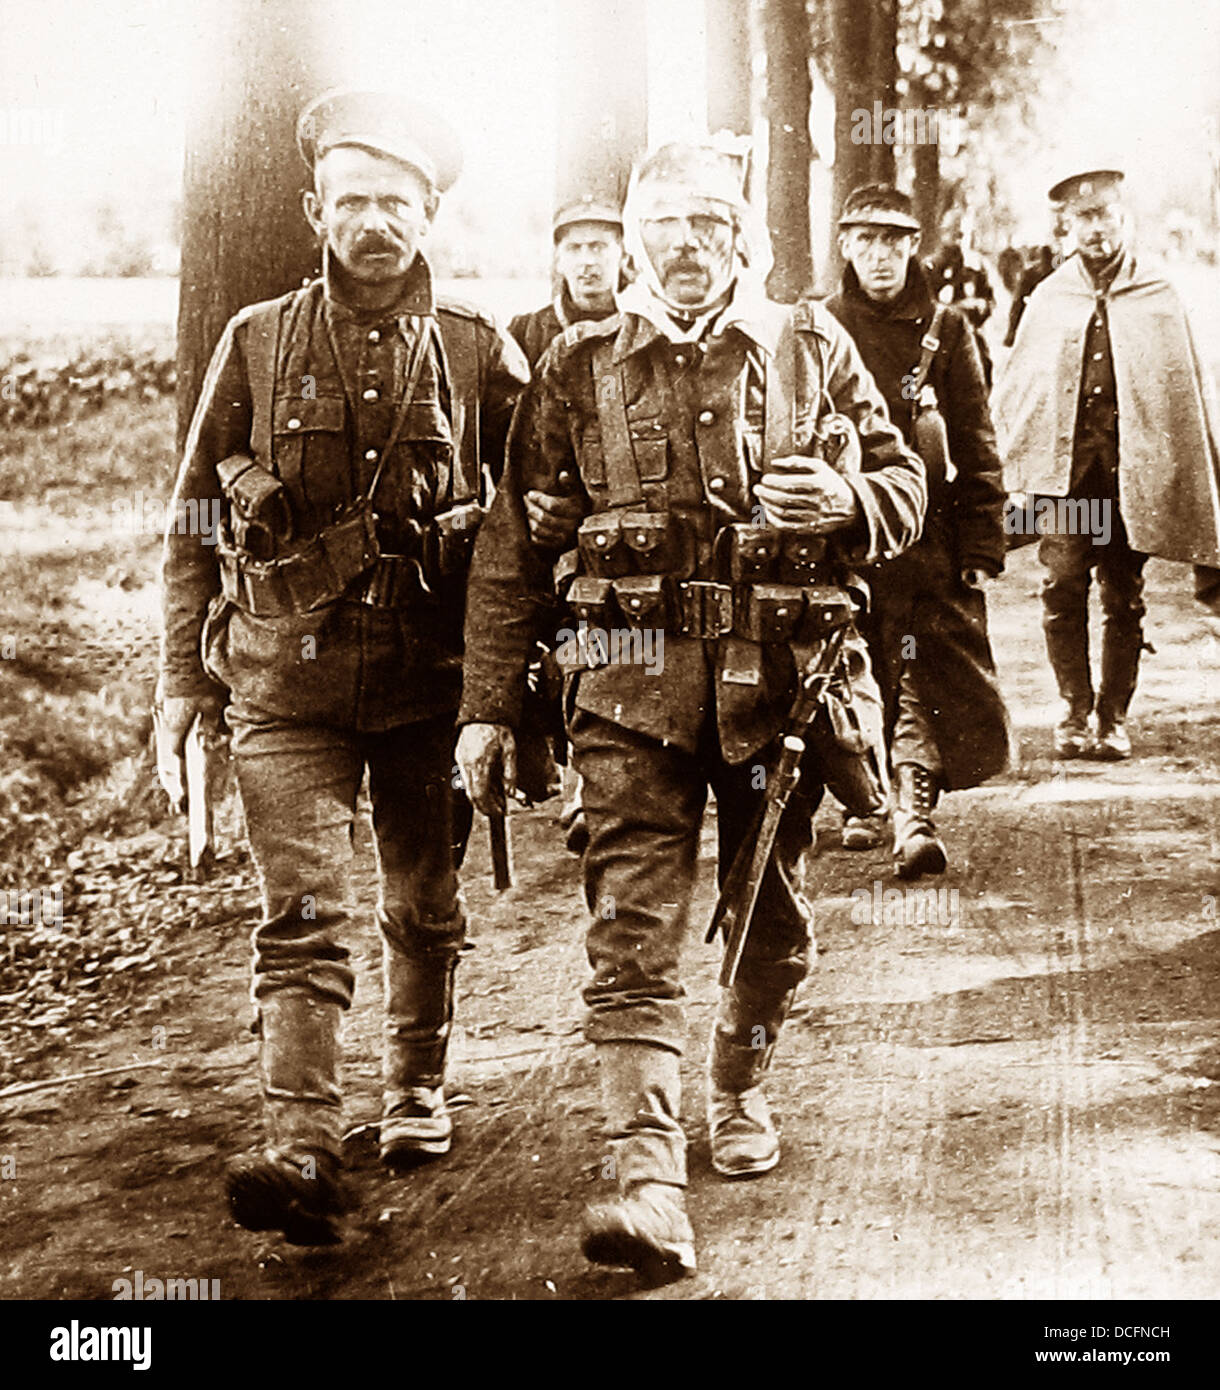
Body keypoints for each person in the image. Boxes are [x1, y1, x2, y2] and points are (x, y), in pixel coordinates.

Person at [455, 140, 926, 1282]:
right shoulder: (574, 366)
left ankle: (736, 1078)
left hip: (777, 691)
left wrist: (852, 497)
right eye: (659, 223)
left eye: (706, 223)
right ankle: (646, 1177)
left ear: (741, 240)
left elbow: (909, 484)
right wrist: (484, 707)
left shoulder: (810, 348)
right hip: (625, 691)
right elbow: (515, 546)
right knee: (629, 934)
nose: (681, 245)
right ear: (632, 240)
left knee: (771, 929)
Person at [157, 88, 529, 1245]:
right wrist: (182, 681)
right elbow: (189, 523)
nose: (375, 220)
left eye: (398, 201)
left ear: (430, 216)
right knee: (302, 912)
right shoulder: (255, 341)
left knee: (422, 903)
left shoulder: (476, 350)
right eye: (353, 199)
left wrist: (506, 696)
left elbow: (531, 529)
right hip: (285, 684)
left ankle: (416, 1086)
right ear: (316, 210)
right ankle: (303, 1143)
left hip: (427, 686)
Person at [996, 166, 1220, 760]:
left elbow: (1183, 396)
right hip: (1071, 480)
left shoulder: (1159, 293)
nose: (1096, 231)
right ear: (1066, 226)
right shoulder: (1050, 294)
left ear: (1126, 217)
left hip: (1131, 476)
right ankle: (1073, 709)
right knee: (1063, 586)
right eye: (1083, 220)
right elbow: (1024, 387)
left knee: (1123, 594)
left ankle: (1112, 716)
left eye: (1105, 216)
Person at [826, 184, 1010, 877]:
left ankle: (913, 812)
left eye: (895, 241)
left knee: (921, 672)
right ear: (845, 245)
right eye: (867, 240)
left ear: (914, 247)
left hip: (926, 535)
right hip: (846, 529)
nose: (881, 256)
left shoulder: (948, 329)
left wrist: (982, 543)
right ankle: (862, 795)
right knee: (846, 667)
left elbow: (975, 437)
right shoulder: (819, 325)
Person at [509, 195, 627, 852]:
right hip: (532, 528)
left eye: (600, 247)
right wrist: (522, 503)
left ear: (623, 255)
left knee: (600, 643)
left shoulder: (640, 329)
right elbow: (499, 438)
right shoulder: (524, 334)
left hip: (611, 530)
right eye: (575, 248)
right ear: (558, 257)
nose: (588, 262)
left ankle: (589, 781)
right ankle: (541, 752)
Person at [925, 206, 997, 387]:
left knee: (983, 372)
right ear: (943, 233)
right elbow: (925, 306)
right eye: (953, 234)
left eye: (962, 235)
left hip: (970, 335)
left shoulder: (975, 266)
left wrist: (982, 306)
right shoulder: (930, 267)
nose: (957, 240)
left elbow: (989, 299)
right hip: (937, 340)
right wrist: (961, 307)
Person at [1003, 203, 1071, 348]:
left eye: (1062, 239)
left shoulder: (1077, 267)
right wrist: (1012, 333)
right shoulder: (1034, 274)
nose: (1059, 244)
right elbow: (1018, 306)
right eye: (1056, 239)